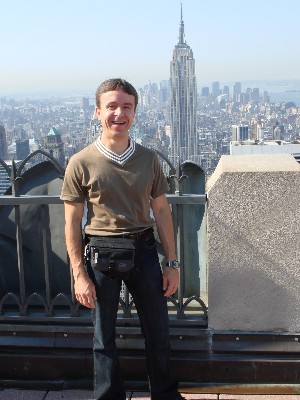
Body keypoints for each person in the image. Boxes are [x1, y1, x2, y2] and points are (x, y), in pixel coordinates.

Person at [60, 78, 183, 400]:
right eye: (111, 106)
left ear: (135, 112)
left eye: (126, 106)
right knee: (104, 337)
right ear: (98, 112)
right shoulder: (81, 162)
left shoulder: (148, 158)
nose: (119, 113)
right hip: (100, 253)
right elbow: (72, 223)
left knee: (158, 331)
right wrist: (79, 274)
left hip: (143, 249)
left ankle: (166, 395)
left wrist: (171, 263)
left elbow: (162, 211)